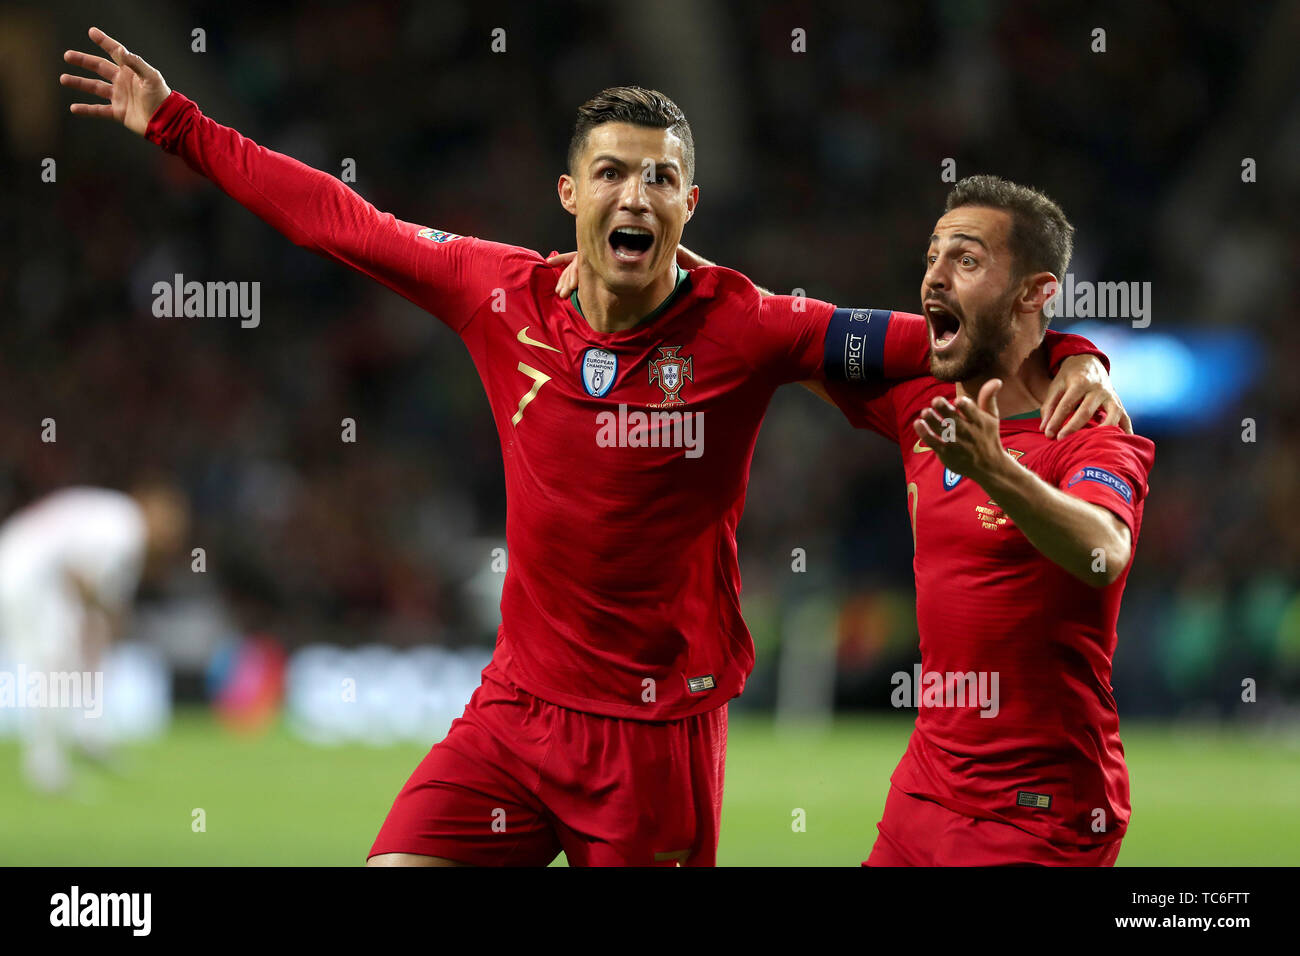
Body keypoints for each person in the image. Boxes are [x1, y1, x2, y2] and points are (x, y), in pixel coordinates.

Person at [60, 27, 1122, 865]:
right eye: (612, 171)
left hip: (657, 738)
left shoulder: (750, 323)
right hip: (516, 711)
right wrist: (178, 126)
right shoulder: (496, 293)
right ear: (570, 194)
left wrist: (1077, 353)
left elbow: (959, 341)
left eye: (660, 179)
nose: (636, 194)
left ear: (687, 206)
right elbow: (340, 218)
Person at [813, 176, 1153, 865]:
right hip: (924, 792)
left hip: (1038, 812)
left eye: (965, 260)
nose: (934, 277)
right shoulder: (920, 399)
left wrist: (994, 468)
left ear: (1035, 291)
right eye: (932, 257)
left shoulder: (1093, 433)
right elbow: (778, 331)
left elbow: (1105, 552)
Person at [0, 483, 188, 791]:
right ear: (152, 509)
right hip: (27, 574)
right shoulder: (125, 529)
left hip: (26, 565)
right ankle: (46, 766)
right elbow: (77, 576)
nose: (171, 534)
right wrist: (95, 619)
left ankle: (86, 739)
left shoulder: (122, 524)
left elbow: (100, 609)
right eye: (169, 522)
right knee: (52, 667)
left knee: (60, 662)